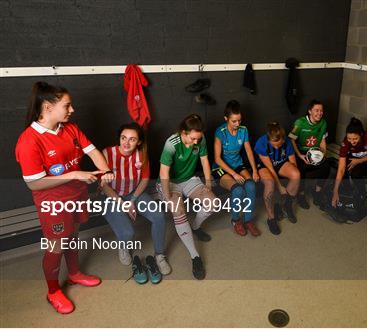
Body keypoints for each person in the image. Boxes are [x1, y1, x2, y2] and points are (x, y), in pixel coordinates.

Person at [15, 82, 115, 314]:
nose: (72, 110)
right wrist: (75, 174)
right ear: (48, 107)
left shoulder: (69, 128)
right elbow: (34, 182)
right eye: (67, 105)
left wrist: (106, 171)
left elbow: (92, 151)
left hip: (77, 195)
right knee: (56, 246)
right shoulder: (29, 140)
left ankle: (74, 273)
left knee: (73, 235)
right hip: (53, 203)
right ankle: (52, 291)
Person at [100, 123, 169, 282]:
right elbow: (104, 186)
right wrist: (122, 203)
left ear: (138, 142)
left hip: (134, 194)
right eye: (123, 138)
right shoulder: (107, 153)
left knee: (159, 216)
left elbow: (145, 180)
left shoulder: (141, 155)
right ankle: (123, 247)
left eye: (132, 139)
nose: (126, 143)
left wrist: (132, 200)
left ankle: (159, 255)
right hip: (111, 196)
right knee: (128, 233)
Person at [156, 114, 218, 280]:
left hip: (189, 179)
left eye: (198, 139)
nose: (196, 142)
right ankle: (195, 257)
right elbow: (164, 172)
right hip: (170, 182)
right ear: (183, 132)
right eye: (192, 138)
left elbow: (205, 161)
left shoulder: (200, 138)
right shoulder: (172, 143)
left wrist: (208, 185)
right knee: (178, 210)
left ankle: (195, 227)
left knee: (213, 204)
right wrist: (168, 196)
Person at [213, 100, 260, 236]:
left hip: (237, 165)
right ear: (226, 118)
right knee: (238, 190)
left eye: (239, 120)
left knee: (251, 186)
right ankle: (235, 220)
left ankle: (248, 220)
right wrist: (234, 174)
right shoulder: (220, 132)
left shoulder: (243, 130)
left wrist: (255, 171)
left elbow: (249, 150)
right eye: (234, 121)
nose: (237, 124)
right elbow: (217, 158)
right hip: (221, 167)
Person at [254, 122, 300, 234]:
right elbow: (270, 168)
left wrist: (292, 176)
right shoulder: (261, 142)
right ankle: (271, 218)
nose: (276, 147)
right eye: (273, 144)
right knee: (270, 183)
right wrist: (280, 187)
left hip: (280, 162)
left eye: (279, 145)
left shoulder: (287, 141)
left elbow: (293, 162)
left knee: (296, 174)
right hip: (265, 166)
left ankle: (286, 205)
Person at [332, 117, 367, 209]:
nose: (352, 141)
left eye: (355, 138)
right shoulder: (346, 142)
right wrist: (335, 191)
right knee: (342, 169)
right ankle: (345, 192)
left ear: (361, 134)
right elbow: (341, 168)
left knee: (356, 172)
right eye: (349, 138)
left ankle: (362, 195)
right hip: (356, 160)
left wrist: (359, 161)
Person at [289, 99, 331, 209]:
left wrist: (323, 155)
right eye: (316, 110)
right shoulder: (300, 123)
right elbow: (291, 139)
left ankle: (317, 192)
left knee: (326, 166)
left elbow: (322, 140)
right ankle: (301, 195)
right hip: (302, 152)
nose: (319, 113)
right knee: (301, 168)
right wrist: (299, 155)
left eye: (321, 110)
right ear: (309, 111)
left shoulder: (323, 123)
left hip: (316, 152)